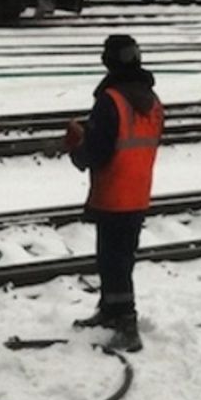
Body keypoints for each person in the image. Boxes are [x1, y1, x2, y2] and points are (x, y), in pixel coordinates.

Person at [66, 34, 164, 353]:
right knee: (122, 257)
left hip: (113, 192)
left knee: (113, 261)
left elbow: (95, 152)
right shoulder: (153, 101)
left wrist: (77, 145)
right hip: (138, 192)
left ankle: (126, 325)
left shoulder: (111, 101)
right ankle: (110, 309)